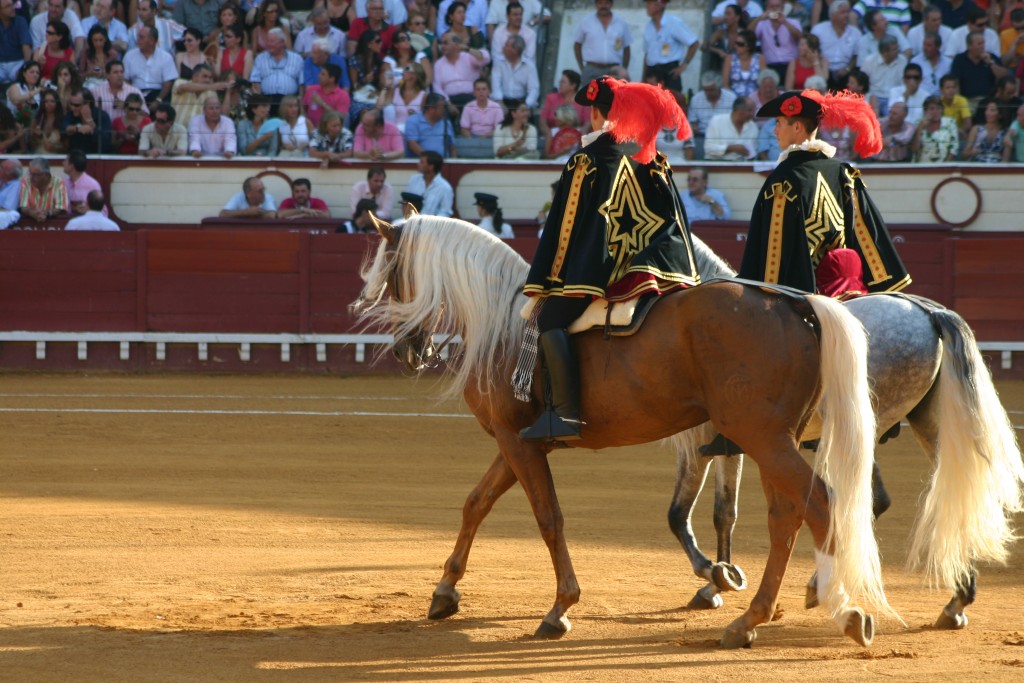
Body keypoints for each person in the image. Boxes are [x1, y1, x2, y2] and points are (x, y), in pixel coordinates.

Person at [700, 87, 910, 455]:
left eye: (780, 124)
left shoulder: (784, 180)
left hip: (812, 291)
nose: (775, 131)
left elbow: (773, 259)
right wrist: (880, 287)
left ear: (798, 127)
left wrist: (760, 299)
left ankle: (742, 427)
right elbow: (867, 233)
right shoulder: (845, 172)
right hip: (852, 287)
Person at [520, 76, 699, 442]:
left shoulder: (588, 160)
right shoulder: (651, 157)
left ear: (596, 115)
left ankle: (564, 415)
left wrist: (551, 280)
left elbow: (567, 227)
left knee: (550, 319)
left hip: (604, 272)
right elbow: (672, 218)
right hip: (656, 266)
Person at [642, 0, 699, 93]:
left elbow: (694, 43)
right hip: (652, 72)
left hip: (669, 71)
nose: (647, 6)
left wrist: (684, 65)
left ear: (659, 5)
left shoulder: (673, 22)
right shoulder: (649, 26)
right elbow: (647, 54)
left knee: (672, 102)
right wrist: (643, 78)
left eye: (649, 3)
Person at [573, 0, 632, 85]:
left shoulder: (621, 23)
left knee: (613, 97)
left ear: (611, 4)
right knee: (589, 97)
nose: (603, 6)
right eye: (600, 3)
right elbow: (577, 45)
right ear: (596, 4)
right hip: (591, 70)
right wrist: (582, 67)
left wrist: (624, 69)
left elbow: (627, 48)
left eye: (606, 3)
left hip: (614, 70)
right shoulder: (586, 22)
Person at [950, 30, 1009, 108]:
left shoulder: (991, 57)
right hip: (967, 101)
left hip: (989, 101)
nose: (982, 46)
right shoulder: (959, 60)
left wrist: (990, 63)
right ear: (969, 46)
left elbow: (1004, 76)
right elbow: (955, 82)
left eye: (983, 43)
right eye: (979, 44)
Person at [812, 0, 862, 90]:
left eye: (848, 12)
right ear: (832, 15)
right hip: (823, 70)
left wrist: (847, 69)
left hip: (846, 72)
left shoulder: (856, 33)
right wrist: (822, 67)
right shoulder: (819, 30)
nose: (846, 15)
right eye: (843, 12)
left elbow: (856, 56)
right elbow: (813, 51)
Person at [123, 25, 177, 104]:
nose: (137, 40)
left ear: (152, 40)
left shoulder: (166, 57)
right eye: (138, 36)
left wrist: (158, 100)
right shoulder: (129, 56)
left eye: (141, 37)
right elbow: (125, 79)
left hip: (158, 94)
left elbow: (168, 83)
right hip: (135, 93)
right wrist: (132, 95)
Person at [251, 28, 303, 105]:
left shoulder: (297, 58)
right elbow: (255, 82)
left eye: (272, 41)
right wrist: (260, 101)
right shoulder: (260, 58)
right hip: (267, 100)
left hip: (290, 101)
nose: (268, 44)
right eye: (267, 41)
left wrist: (300, 99)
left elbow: (302, 83)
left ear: (282, 42)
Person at [752, 0, 802, 81]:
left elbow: (800, 38)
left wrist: (784, 22)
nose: (775, 9)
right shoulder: (762, 24)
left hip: (791, 65)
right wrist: (760, 18)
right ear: (767, 8)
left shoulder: (793, 22)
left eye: (777, 6)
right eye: (772, 7)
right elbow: (749, 35)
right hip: (770, 66)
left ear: (782, 8)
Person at [456, 77, 503, 157]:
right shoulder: (468, 107)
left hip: (490, 138)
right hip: (472, 138)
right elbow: (464, 129)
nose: (481, 92)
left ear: (489, 92)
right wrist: (472, 141)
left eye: (484, 89)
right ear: (474, 93)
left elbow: (499, 129)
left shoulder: (496, 107)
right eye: (478, 89)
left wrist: (485, 137)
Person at [491, 34, 538, 109]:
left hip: (522, 102)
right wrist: (500, 102)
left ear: (515, 50)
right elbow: (496, 85)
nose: (503, 47)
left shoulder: (529, 66)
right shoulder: (499, 63)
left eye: (506, 45)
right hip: (502, 101)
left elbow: (534, 89)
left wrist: (526, 105)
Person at [704, 95, 758, 159]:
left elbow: (753, 153)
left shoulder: (753, 127)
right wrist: (731, 148)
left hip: (742, 166)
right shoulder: (716, 121)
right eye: (750, 110)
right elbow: (708, 149)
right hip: (716, 165)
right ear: (739, 110)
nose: (753, 114)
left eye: (754, 110)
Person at [404, 92, 456, 157]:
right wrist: (430, 159)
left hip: (444, 164)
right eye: (442, 107)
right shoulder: (413, 121)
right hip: (420, 164)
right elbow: (412, 144)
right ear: (431, 109)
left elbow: (452, 147)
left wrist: (454, 162)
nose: (445, 110)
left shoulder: (446, 123)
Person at [19, 156, 69, 221]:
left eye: (35, 175)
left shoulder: (58, 182)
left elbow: (61, 208)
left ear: (46, 175)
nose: (31, 177)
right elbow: (23, 207)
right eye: (30, 173)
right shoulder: (26, 181)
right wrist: (31, 213)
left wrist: (47, 213)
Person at [912, 94, 960, 161]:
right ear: (925, 111)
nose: (935, 112)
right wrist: (920, 127)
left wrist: (945, 167)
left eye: (938, 108)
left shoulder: (950, 123)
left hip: (944, 167)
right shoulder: (919, 123)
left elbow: (953, 149)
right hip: (921, 167)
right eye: (932, 109)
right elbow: (914, 149)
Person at [64, 89, 113, 154]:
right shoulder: (71, 114)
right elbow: (64, 128)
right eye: (71, 104)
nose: (73, 108)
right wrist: (78, 128)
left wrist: (90, 122)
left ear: (87, 104)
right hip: (76, 155)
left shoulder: (102, 116)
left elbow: (105, 141)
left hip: (97, 155)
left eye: (76, 105)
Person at [405, 150, 453, 216]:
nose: (418, 164)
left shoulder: (445, 187)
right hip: (412, 221)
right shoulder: (414, 180)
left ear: (431, 166)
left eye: (422, 162)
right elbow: (406, 202)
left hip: (433, 224)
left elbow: (445, 212)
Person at [723, 29, 765, 98]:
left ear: (749, 46)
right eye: (735, 43)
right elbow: (725, 85)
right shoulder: (730, 58)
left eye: (740, 44)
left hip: (755, 98)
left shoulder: (760, 58)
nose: (736, 46)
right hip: (734, 99)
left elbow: (764, 83)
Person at [62, 149, 105, 215]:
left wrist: (89, 210)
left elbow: (103, 211)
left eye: (65, 160)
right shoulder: (63, 183)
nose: (63, 163)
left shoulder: (93, 185)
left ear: (72, 166)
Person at [0, 0, 31, 84]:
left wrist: (26, 67)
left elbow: (26, 46)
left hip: (17, 63)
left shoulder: (21, 21)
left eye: (12, 5)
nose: (12, 8)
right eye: (8, 6)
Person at [913, 31, 954, 95]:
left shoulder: (948, 63)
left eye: (929, 45)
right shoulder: (915, 62)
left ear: (938, 47)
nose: (925, 48)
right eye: (924, 44)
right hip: (922, 99)